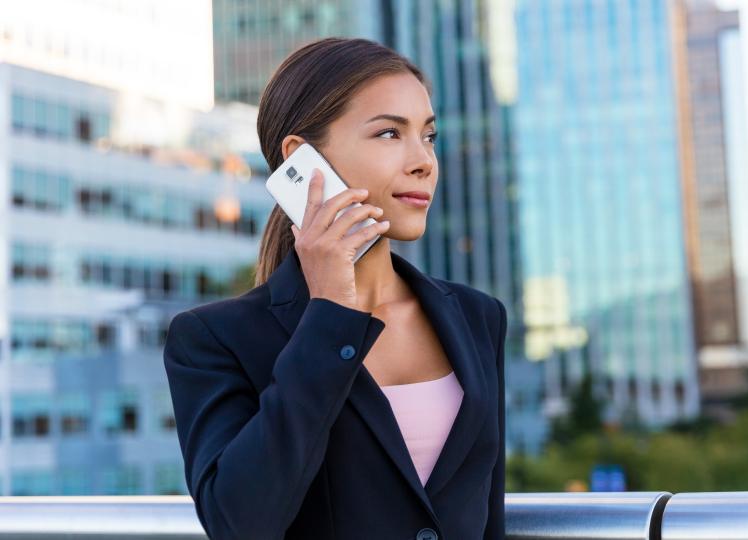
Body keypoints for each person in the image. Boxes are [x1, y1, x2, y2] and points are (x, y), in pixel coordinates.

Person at [163, 37, 506, 540]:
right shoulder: (213, 339)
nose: (423, 161)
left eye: (428, 137)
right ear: (302, 161)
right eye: (390, 133)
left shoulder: (479, 316)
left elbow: (486, 516)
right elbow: (239, 523)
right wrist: (328, 312)